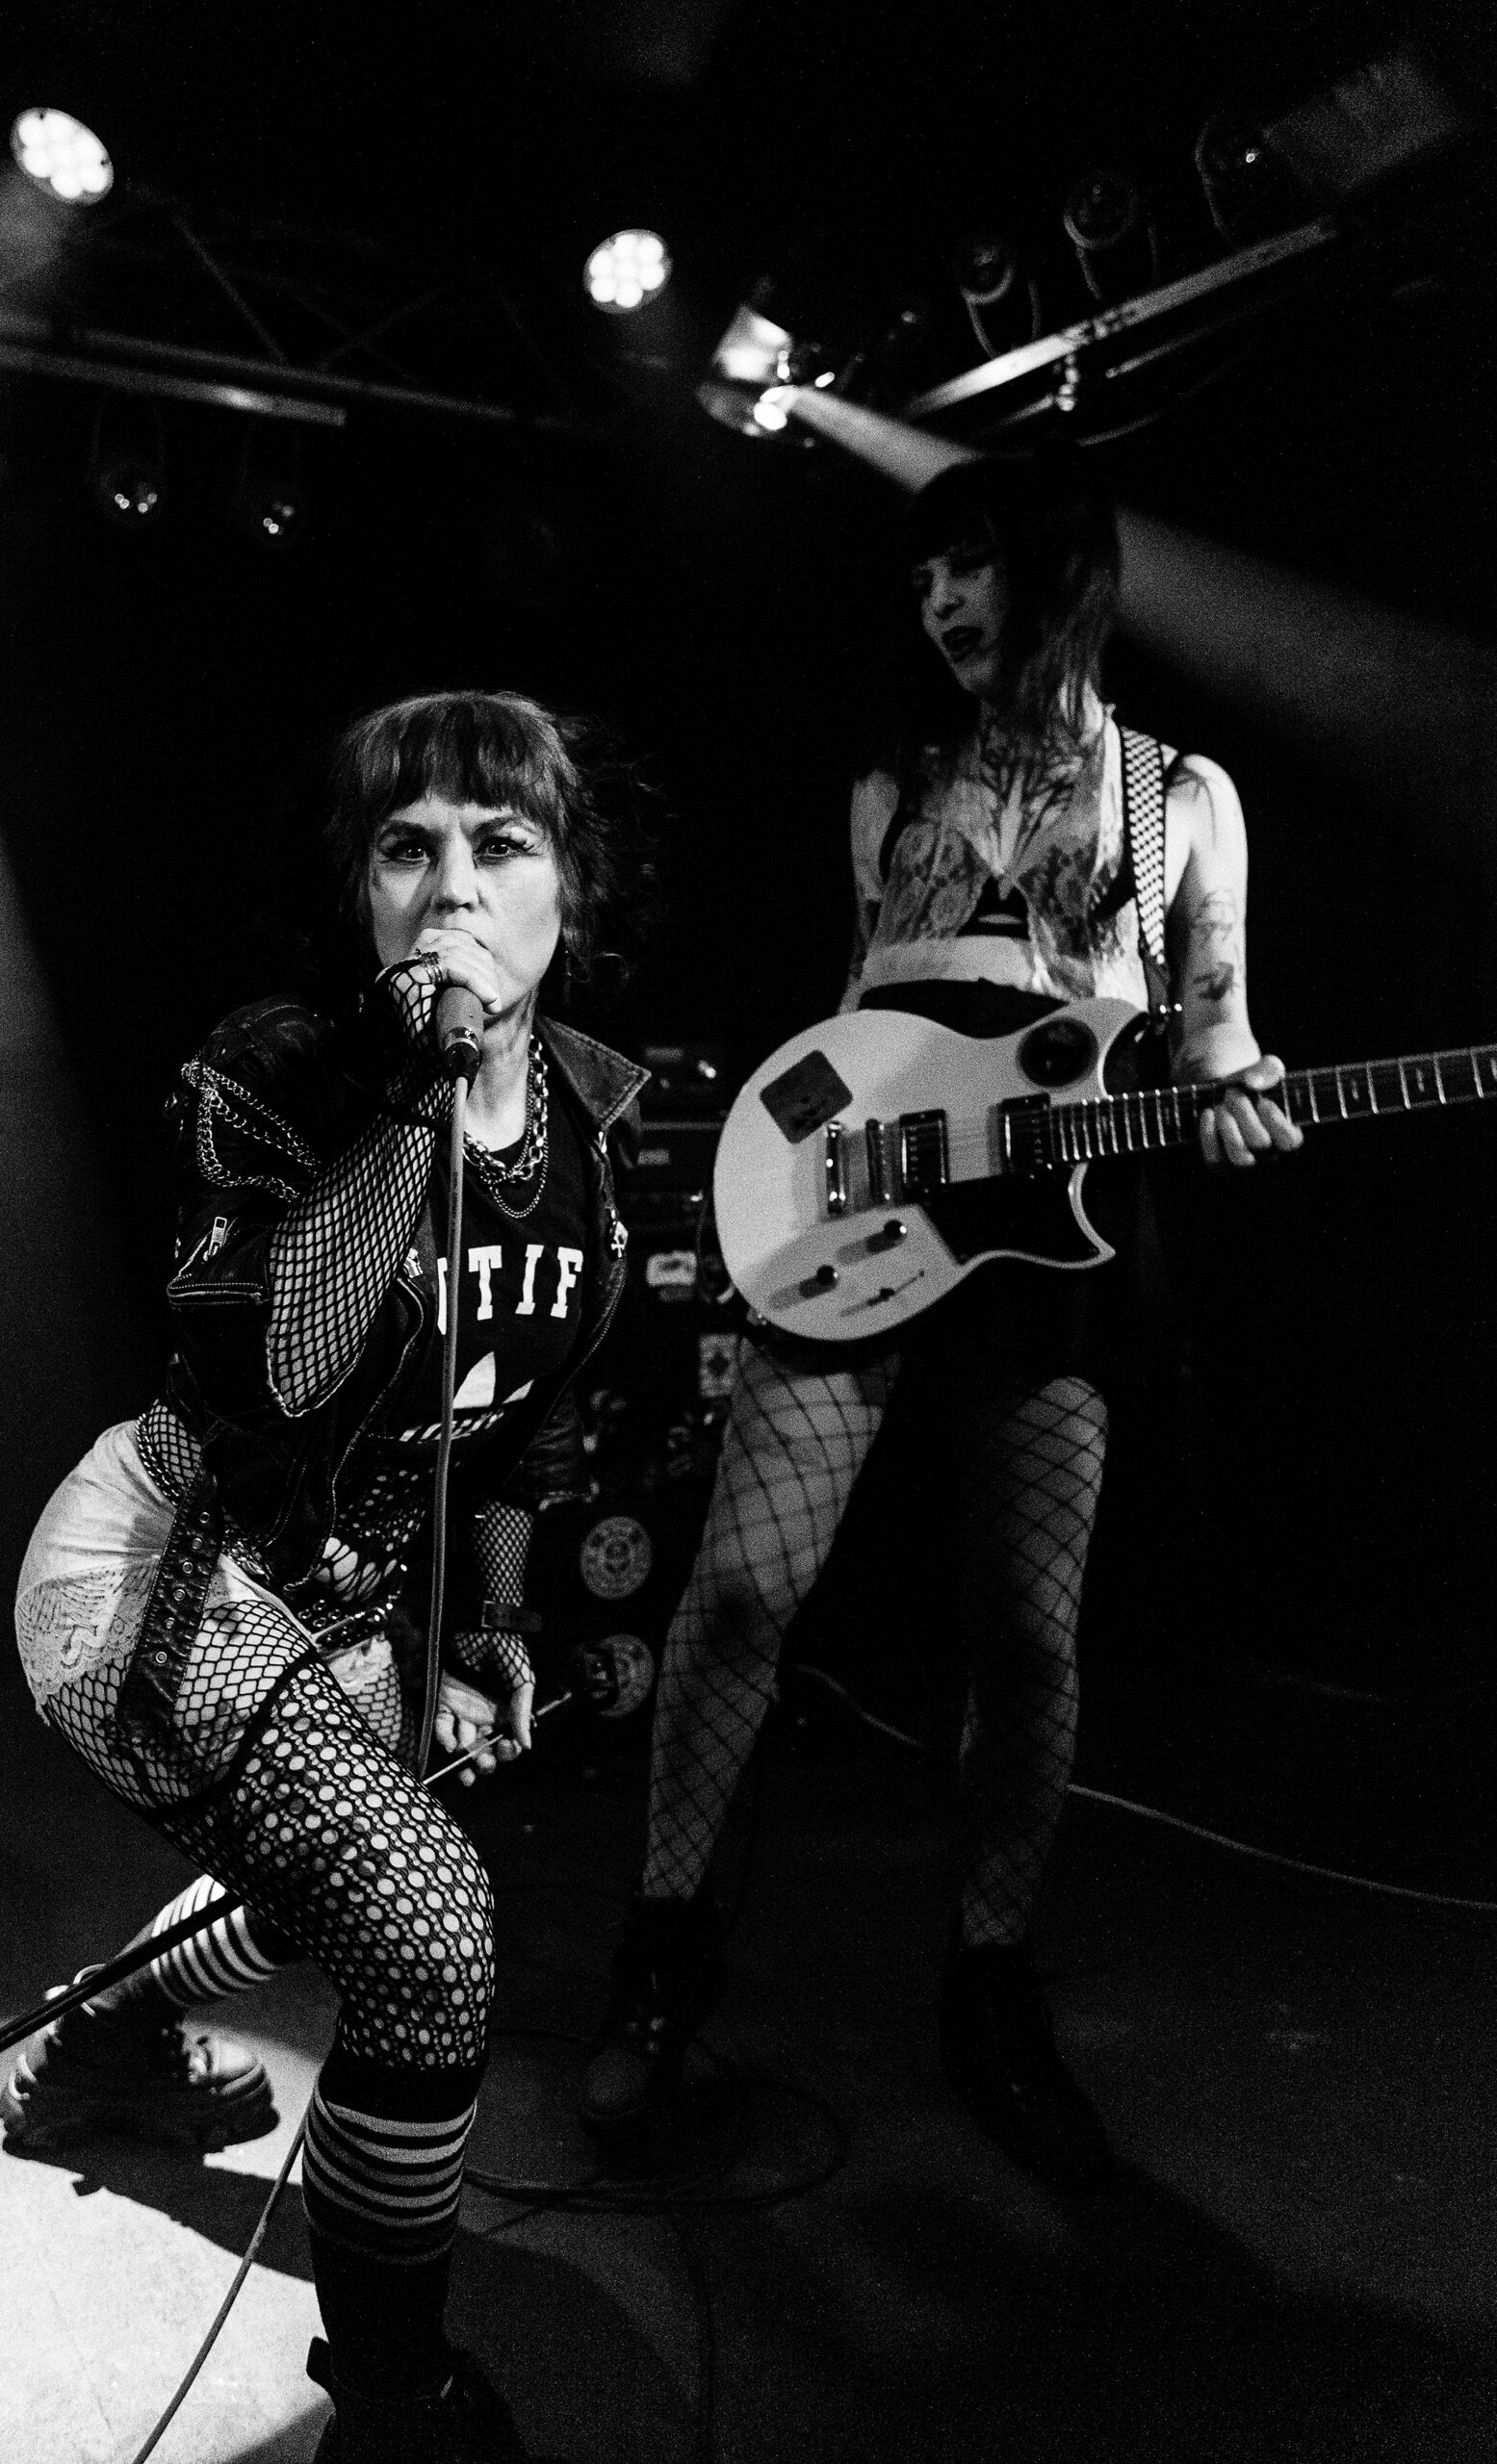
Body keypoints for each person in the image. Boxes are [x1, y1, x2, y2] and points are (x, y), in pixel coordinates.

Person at [581, 453, 1301, 2189]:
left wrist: (1236, 1090)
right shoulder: (891, 781)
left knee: (1028, 1639)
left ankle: (991, 1977)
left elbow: (1212, 1026)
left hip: (1058, 1236)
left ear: (1058, 570)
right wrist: (787, 1182)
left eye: (969, 566)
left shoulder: (1178, 797)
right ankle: (661, 1958)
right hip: (869, 1209)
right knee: (739, 1592)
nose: (941, 603)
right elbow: (858, 1017)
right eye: (923, 579)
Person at [4, 690, 648, 2463]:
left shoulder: (592, 1136)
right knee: (427, 1928)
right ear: (365, 894)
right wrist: (414, 1078)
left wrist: (490, 1624)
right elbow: (287, 1375)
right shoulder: (282, 1072)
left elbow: (518, 1432)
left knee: (327, 1888)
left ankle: (98, 2054)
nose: (452, 887)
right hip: (155, 1570)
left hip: (344, 1610)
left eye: (500, 845)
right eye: (405, 849)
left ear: (568, 891)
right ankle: (388, 2396)